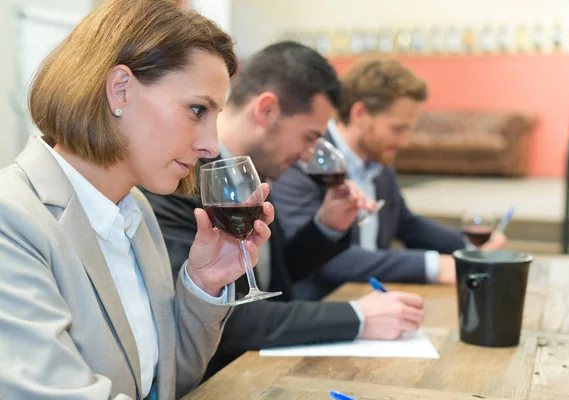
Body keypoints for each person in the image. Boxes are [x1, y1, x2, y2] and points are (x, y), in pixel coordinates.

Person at [0, 1, 276, 399]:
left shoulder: (134, 210)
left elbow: (169, 382)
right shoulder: (12, 219)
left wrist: (203, 284)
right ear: (120, 90)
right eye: (196, 109)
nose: (210, 145)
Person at [142, 42, 425, 380]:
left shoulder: (252, 172)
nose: (309, 155)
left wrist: (327, 226)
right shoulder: (179, 180)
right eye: (309, 137)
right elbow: (229, 320)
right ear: (267, 111)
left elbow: (276, 276)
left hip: (262, 369)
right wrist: (358, 317)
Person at [271, 56, 508, 300]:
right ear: (360, 113)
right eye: (398, 129)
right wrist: (436, 266)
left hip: (374, 297)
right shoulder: (303, 159)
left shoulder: (379, 161)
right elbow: (325, 259)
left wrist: (470, 248)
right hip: (325, 306)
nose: (404, 141)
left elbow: (407, 224)